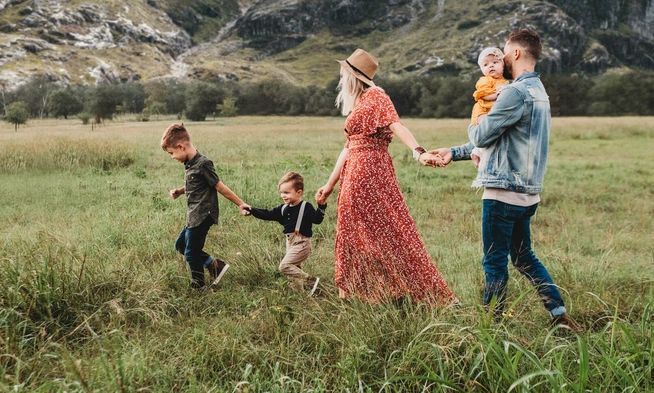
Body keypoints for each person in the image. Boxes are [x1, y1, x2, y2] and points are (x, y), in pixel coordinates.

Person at [429, 28, 581, 332]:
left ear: (516, 53)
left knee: (493, 261)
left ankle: (491, 326)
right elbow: (503, 138)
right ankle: (559, 315)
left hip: (502, 193)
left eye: (504, 52)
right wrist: (454, 152)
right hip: (527, 194)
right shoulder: (539, 91)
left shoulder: (514, 92)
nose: (500, 59)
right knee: (524, 257)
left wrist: (476, 121)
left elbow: (484, 134)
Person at [315, 48, 457, 305]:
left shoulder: (376, 96)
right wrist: (329, 184)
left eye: (343, 70)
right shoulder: (359, 103)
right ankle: (360, 293)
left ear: (353, 75)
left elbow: (396, 125)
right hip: (354, 170)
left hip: (369, 171)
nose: (339, 74)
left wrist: (419, 152)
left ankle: (409, 291)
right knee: (353, 230)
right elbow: (348, 147)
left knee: (388, 230)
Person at [161, 123, 246, 290]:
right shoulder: (190, 164)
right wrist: (180, 191)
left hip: (203, 215)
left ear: (181, 146)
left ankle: (199, 285)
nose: (172, 157)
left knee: (191, 252)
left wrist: (241, 204)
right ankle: (214, 265)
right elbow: (197, 184)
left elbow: (219, 186)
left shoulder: (203, 163)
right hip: (193, 215)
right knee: (181, 246)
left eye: (171, 153)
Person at [242, 171, 325, 296]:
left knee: (285, 266)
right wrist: (251, 210)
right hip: (290, 242)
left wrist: (321, 206)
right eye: (281, 192)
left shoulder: (305, 207)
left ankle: (310, 281)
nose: (283, 195)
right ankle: (300, 295)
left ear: (299, 193)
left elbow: (317, 220)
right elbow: (267, 214)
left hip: (302, 243)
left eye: (286, 192)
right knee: (294, 271)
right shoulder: (283, 208)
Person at [470, 47, 508, 166]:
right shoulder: (485, 80)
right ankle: (479, 154)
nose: (491, 66)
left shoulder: (504, 81)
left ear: (503, 65)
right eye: (486, 64)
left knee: (492, 134)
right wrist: (496, 95)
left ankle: (476, 152)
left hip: (492, 111)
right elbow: (482, 94)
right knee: (486, 131)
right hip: (483, 111)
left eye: (495, 62)